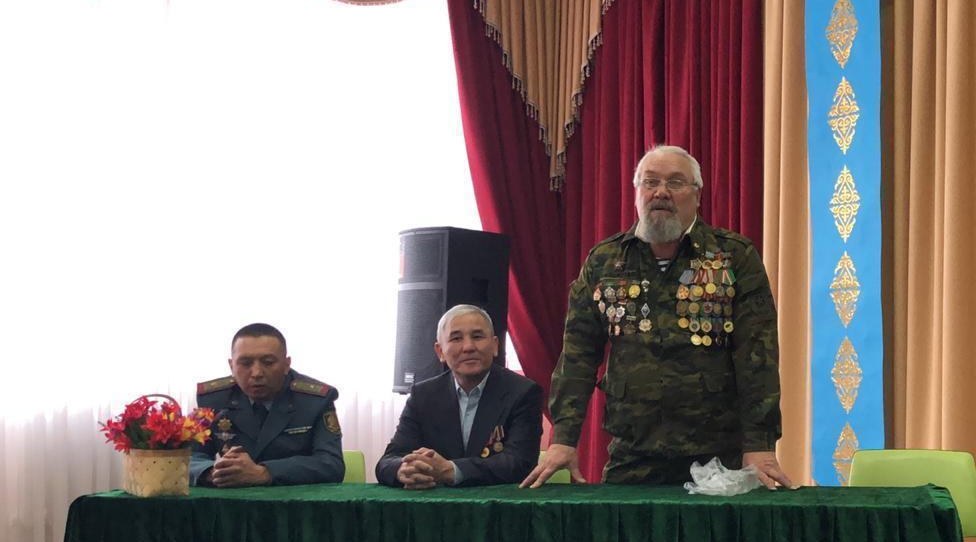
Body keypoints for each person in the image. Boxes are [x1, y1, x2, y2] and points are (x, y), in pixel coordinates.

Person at [522, 145, 796, 489]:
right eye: (650, 182)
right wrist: (563, 439)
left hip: (718, 456)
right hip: (633, 453)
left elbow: (758, 356)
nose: (661, 192)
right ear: (637, 193)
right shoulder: (605, 262)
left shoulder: (732, 257)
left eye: (675, 182)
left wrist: (760, 444)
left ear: (697, 195)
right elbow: (577, 356)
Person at [376, 304, 543, 488]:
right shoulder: (423, 395)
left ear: (495, 346)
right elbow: (389, 460)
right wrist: (403, 470)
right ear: (440, 352)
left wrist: (452, 470)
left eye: (477, 337)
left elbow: (520, 463)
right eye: (456, 338)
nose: (468, 347)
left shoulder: (523, 392)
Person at [192, 323, 345, 487]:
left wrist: (265, 473)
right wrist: (213, 472)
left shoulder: (315, 400)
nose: (257, 373)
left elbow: (331, 464)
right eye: (245, 363)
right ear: (231, 366)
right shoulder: (213, 399)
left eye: (268, 362)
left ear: (286, 364)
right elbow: (187, 457)